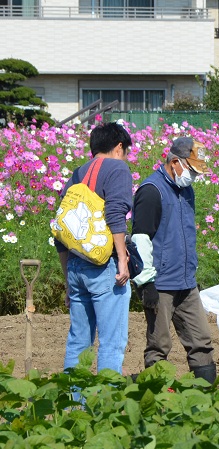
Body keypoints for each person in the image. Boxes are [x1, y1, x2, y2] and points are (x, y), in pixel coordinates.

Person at [131, 136, 217, 383]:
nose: (193, 177)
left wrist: (190, 272)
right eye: (191, 170)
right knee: (159, 344)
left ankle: (204, 398)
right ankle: (156, 400)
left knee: (201, 340)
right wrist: (146, 282)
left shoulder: (185, 189)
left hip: (186, 282)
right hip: (160, 282)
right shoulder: (151, 190)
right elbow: (140, 239)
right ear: (175, 162)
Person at [58, 122, 133, 374]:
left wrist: (68, 279)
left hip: (76, 267)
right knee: (112, 344)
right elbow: (115, 213)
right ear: (119, 147)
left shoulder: (77, 174)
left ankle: (71, 407)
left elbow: (62, 230)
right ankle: (105, 410)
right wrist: (122, 259)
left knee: (78, 343)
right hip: (104, 267)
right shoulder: (117, 169)